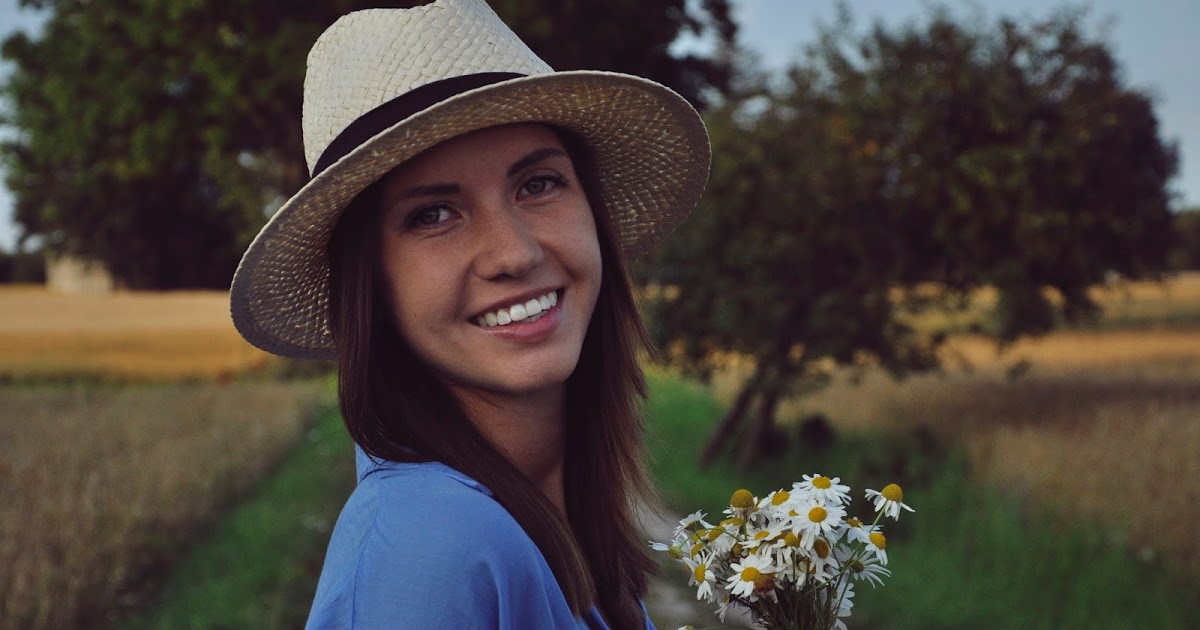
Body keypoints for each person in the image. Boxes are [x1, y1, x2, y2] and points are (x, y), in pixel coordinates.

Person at [229, 1, 710, 628]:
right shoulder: (432, 551)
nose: (514, 253)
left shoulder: (544, 513)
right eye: (433, 214)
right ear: (370, 283)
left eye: (537, 184)